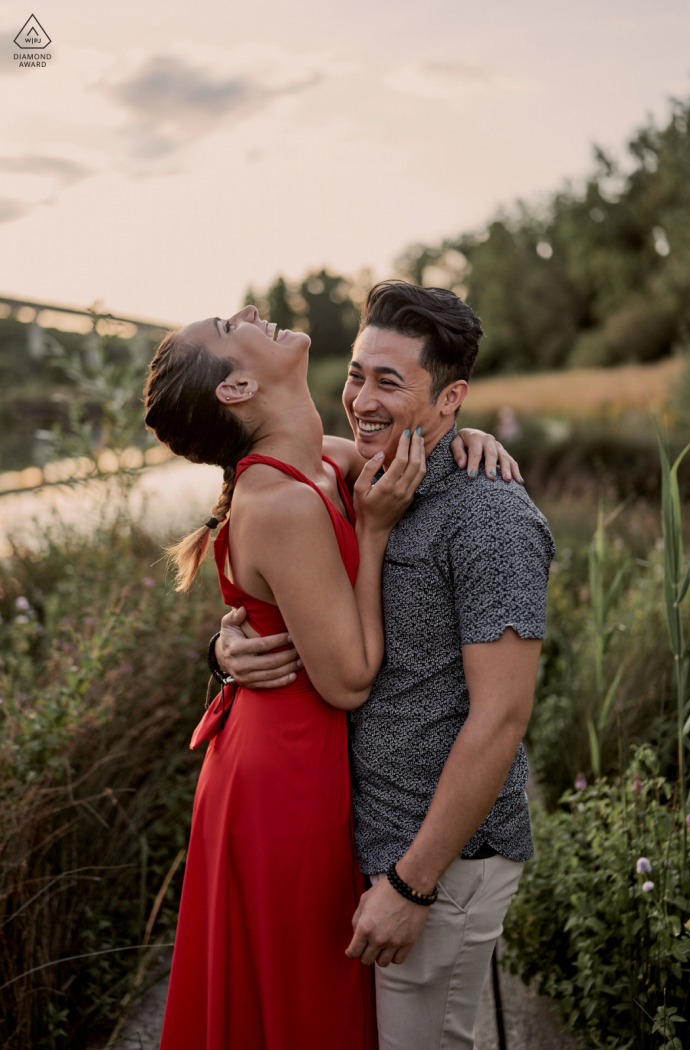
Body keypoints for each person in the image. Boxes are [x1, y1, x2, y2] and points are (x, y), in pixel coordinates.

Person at [143, 302, 511, 1050]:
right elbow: (347, 683)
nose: (248, 310)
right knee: (300, 990)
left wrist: (458, 431)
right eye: (225, 325)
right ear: (237, 388)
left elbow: (392, 455)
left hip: (299, 749)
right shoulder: (279, 502)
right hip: (285, 773)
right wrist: (373, 533)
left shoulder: (322, 459)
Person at [217, 281, 555, 1050]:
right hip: (361, 842)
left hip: (440, 865)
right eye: (358, 374)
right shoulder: (359, 477)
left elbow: (499, 720)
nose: (361, 399)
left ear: (451, 399)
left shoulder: (490, 517)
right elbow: (274, 552)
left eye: (390, 381)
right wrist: (226, 641)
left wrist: (412, 885)